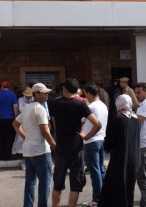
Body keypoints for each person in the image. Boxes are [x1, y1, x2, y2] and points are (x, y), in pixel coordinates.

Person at [50, 78, 102, 207]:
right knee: (75, 185)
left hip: (61, 147)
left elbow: (54, 121)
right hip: (76, 147)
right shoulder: (81, 104)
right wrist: (86, 137)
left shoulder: (55, 103)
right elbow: (97, 124)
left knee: (57, 184)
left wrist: (59, 130)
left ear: (65, 89)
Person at [13, 83, 56, 207]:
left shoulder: (27, 107)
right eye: (44, 93)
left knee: (30, 183)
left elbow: (15, 124)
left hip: (29, 150)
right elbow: (45, 131)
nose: (46, 95)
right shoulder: (40, 108)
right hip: (41, 151)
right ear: (36, 94)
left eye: (47, 93)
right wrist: (55, 146)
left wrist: (26, 138)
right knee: (45, 183)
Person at [98, 94, 140, 207]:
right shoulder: (136, 119)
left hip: (120, 160)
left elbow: (110, 141)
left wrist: (105, 145)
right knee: (129, 188)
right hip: (134, 159)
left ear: (119, 105)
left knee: (118, 189)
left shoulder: (118, 119)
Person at [82, 83, 108, 207]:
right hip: (101, 140)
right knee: (101, 170)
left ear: (89, 94)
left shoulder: (91, 107)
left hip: (91, 141)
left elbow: (82, 121)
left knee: (95, 171)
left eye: (85, 93)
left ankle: (96, 200)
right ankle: (103, 197)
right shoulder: (103, 105)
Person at [0, 81, 19, 160]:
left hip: (0, 118)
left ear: (1, 87)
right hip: (10, 118)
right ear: (8, 87)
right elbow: (15, 107)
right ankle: (8, 156)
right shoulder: (12, 94)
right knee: (10, 137)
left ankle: (1, 156)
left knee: (1, 137)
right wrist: (16, 118)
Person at [13, 87, 34, 157]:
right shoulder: (21, 99)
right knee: (20, 136)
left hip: (31, 120)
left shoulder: (33, 99)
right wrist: (28, 104)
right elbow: (21, 109)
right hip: (22, 119)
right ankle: (18, 152)